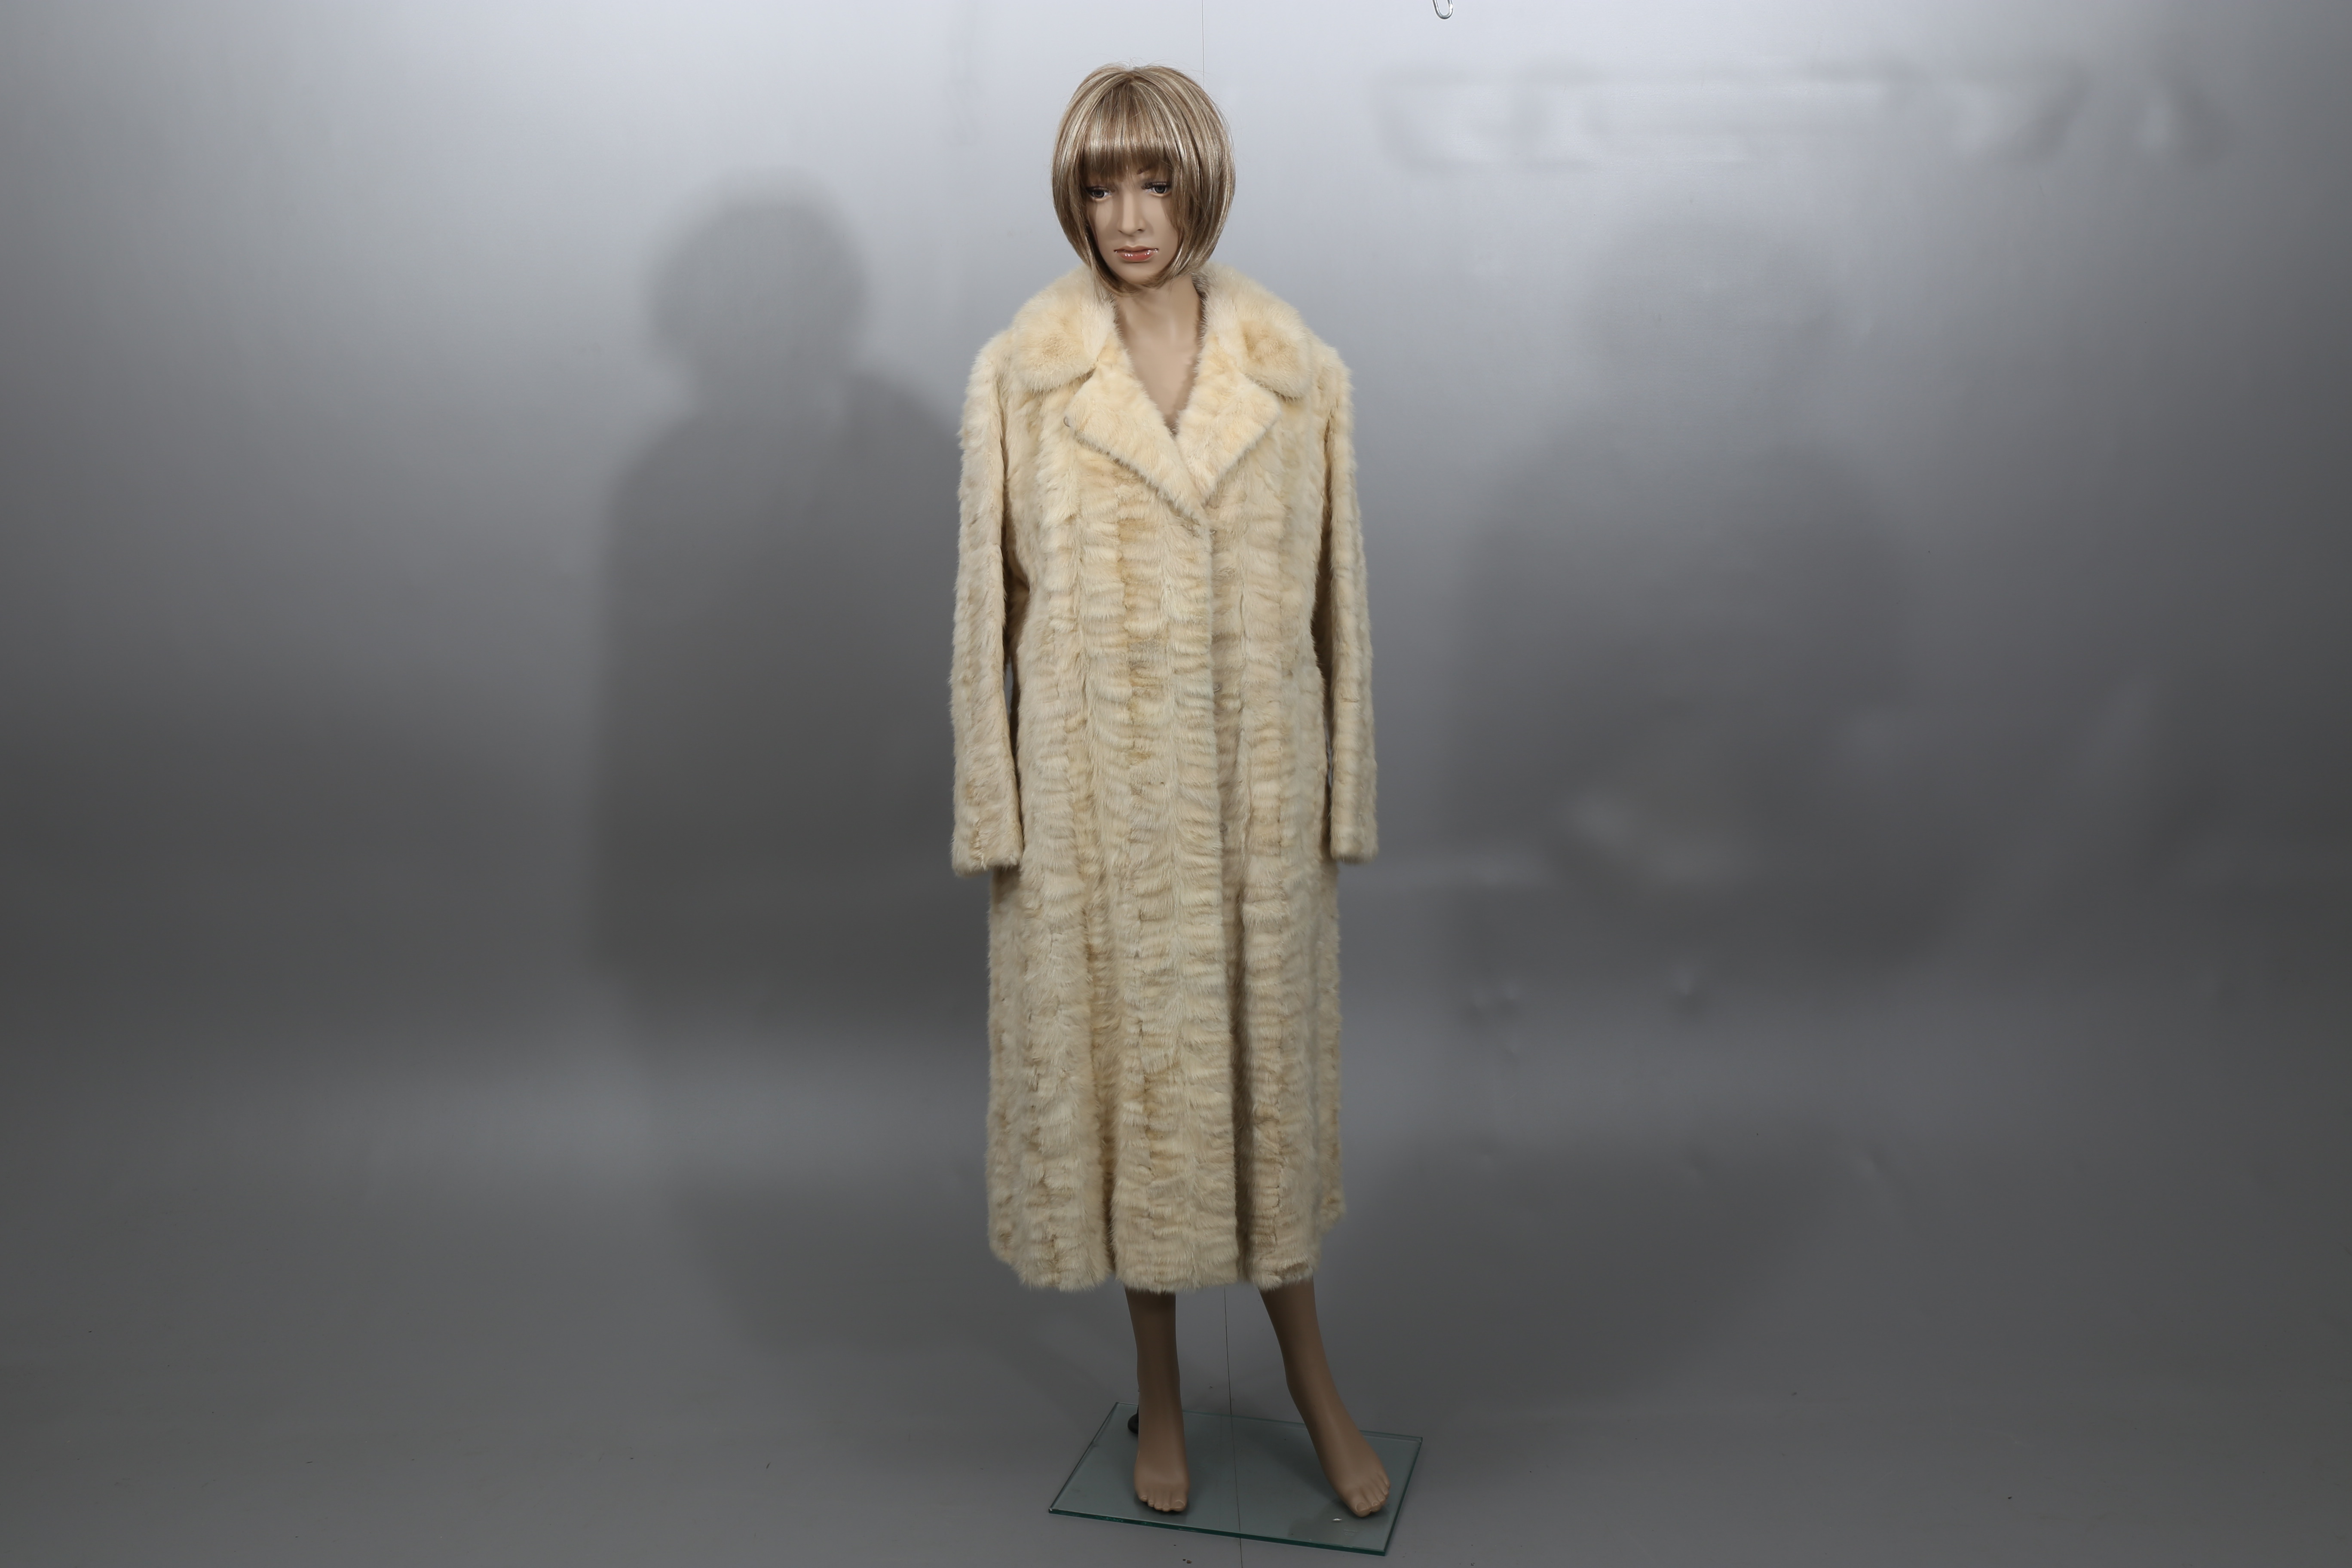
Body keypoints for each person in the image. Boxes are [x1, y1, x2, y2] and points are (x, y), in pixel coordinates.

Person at [948, 64, 1388, 1516]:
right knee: (1133, 1099)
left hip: (1257, 804)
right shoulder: (1023, 377)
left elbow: (1337, 604)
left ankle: (1314, 1382)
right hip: (1098, 812)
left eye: (1157, 182)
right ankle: (1159, 1392)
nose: (1130, 217)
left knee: (1265, 1101)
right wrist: (996, 812)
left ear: (1204, 187)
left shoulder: (1297, 371)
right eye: (1101, 186)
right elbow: (986, 611)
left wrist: (1342, 801)